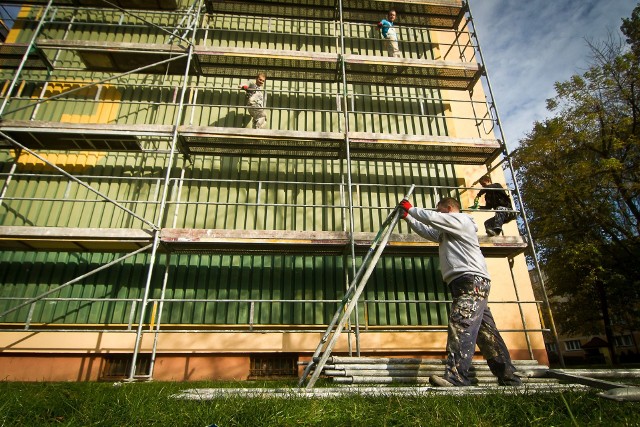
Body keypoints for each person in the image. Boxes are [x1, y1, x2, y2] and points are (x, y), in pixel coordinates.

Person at [398, 197, 522, 387]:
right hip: (467, 282)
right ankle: (509, 377)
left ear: (449, 209)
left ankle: (456, 377)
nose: (437, 214)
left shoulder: (461, 220)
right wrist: (409, 218)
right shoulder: (449, 231)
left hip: (471, 281)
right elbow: (430, 231)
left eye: (439, 210)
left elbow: (432, 218)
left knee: (461, 325)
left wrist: (412, 209)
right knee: (486, 333)